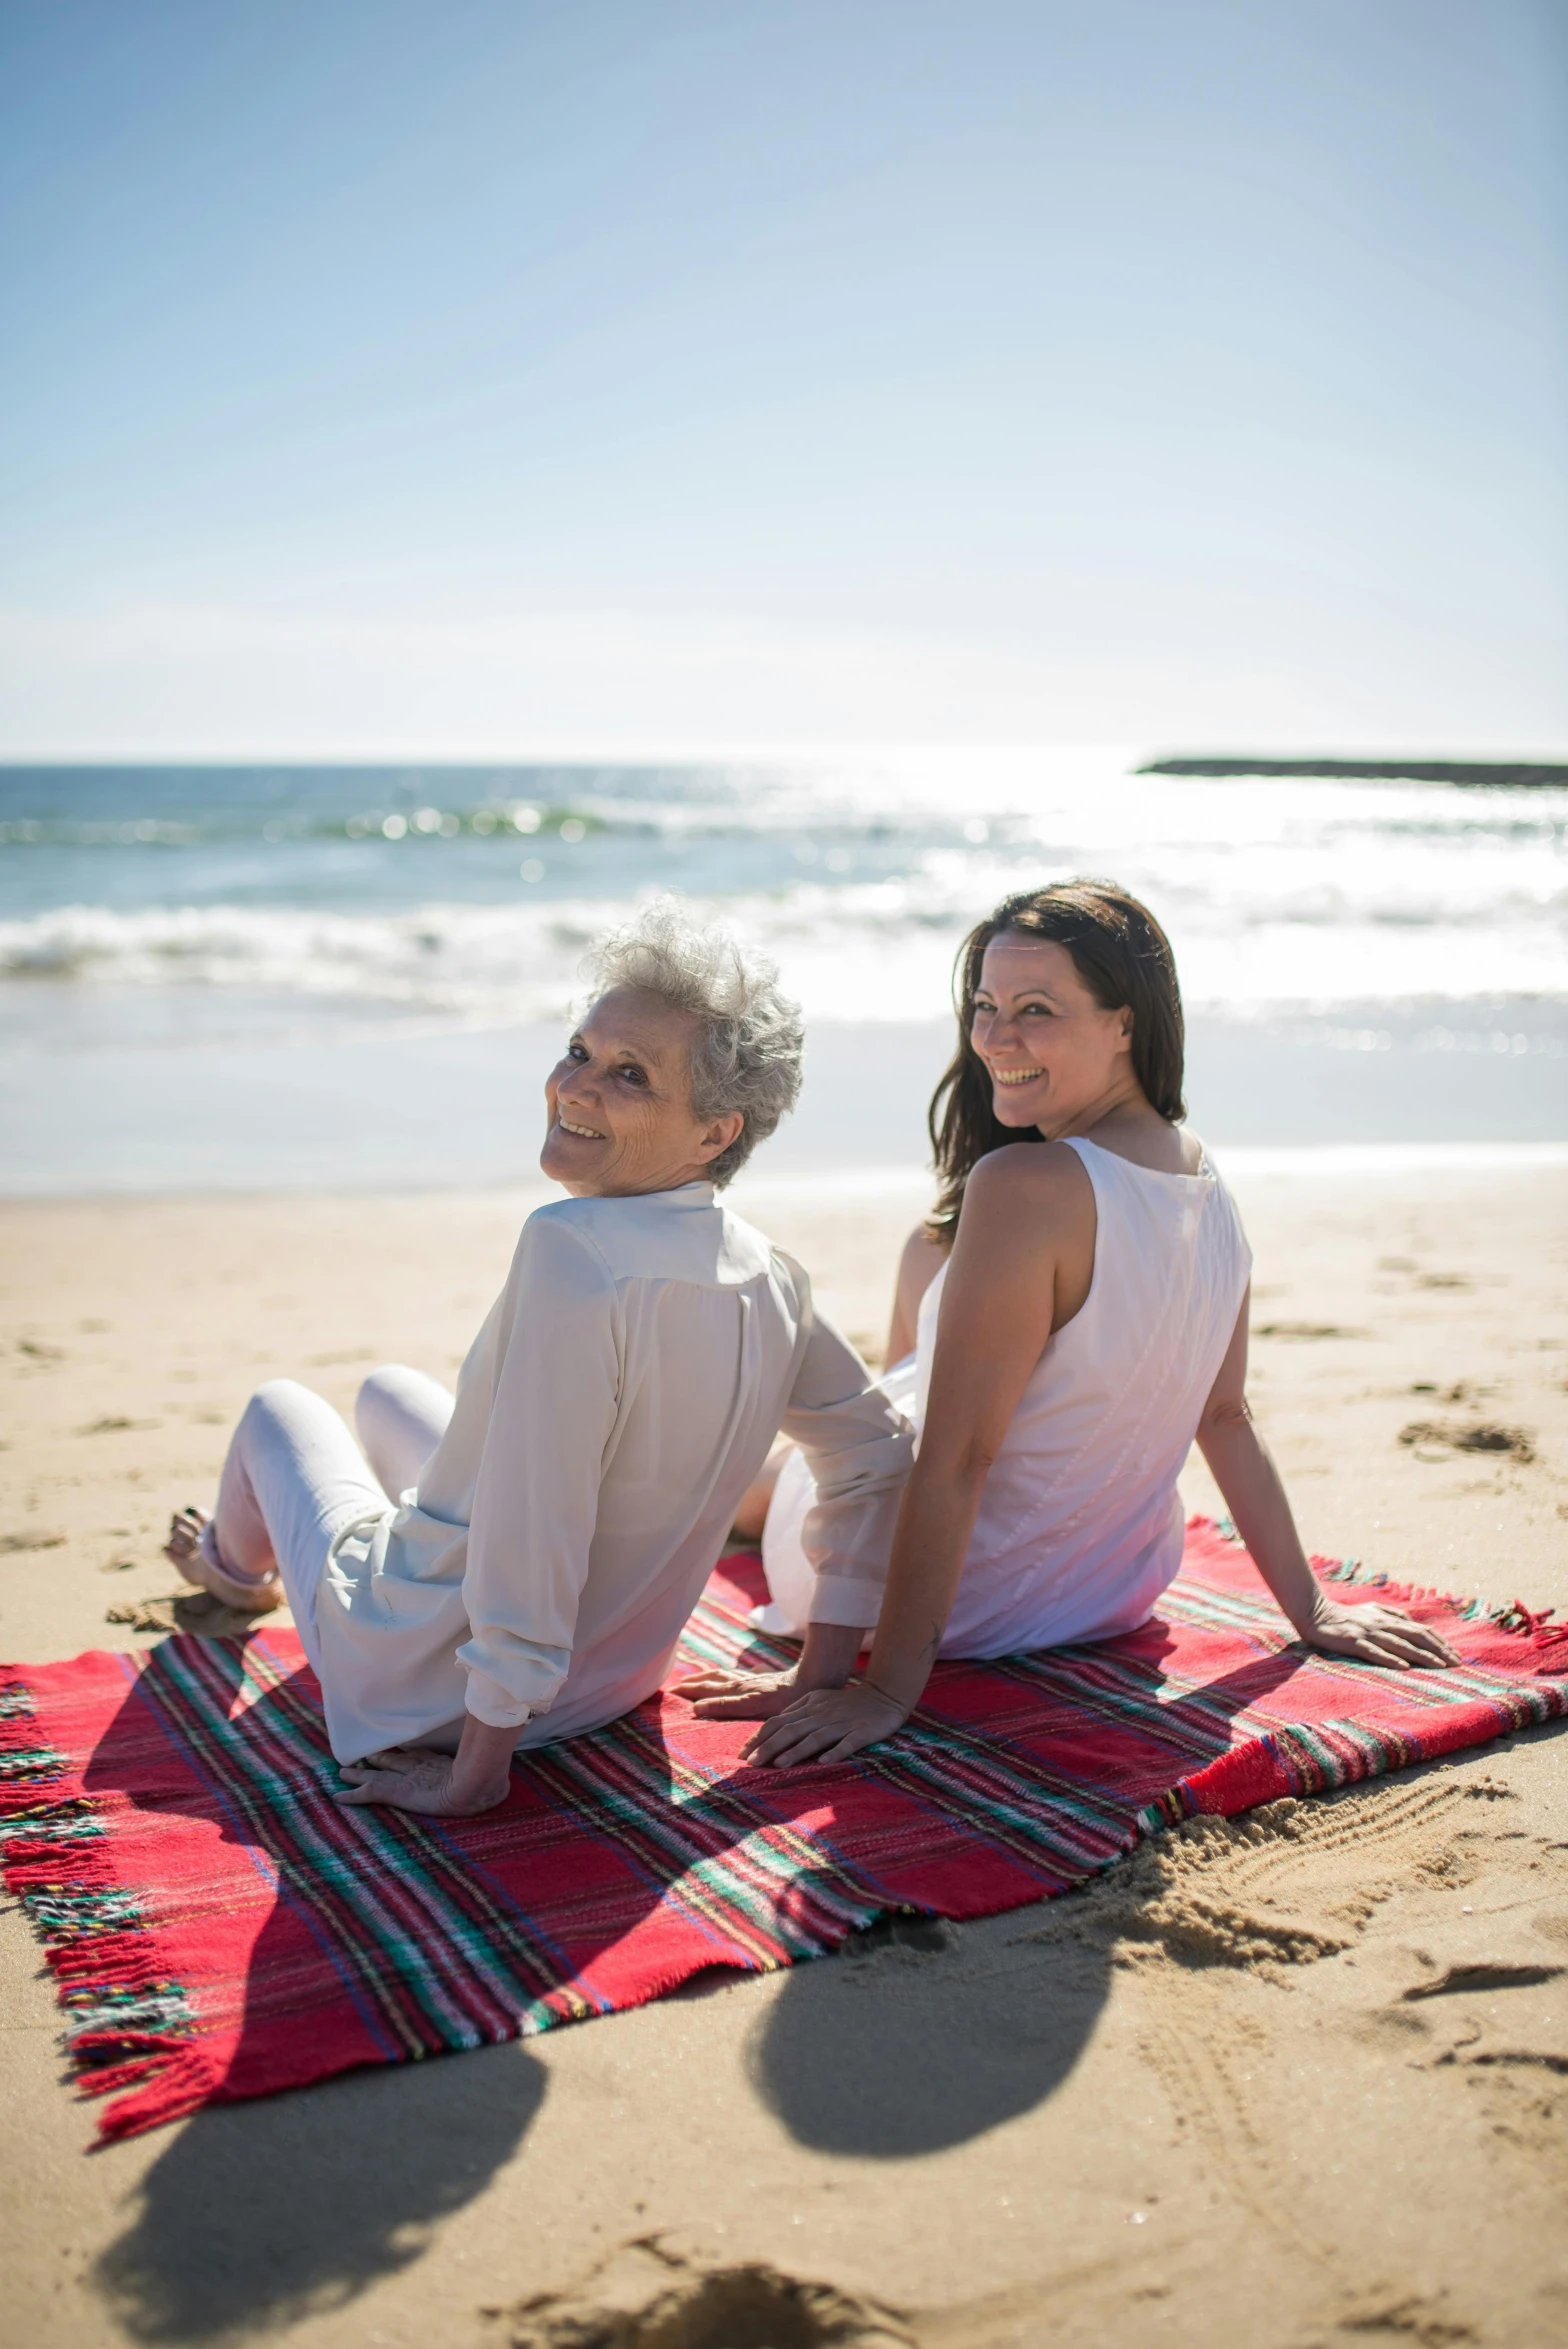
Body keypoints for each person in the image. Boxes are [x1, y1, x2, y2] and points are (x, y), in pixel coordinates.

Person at [680, 879, 1456, 1765]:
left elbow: (959, 1458)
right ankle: (813, 1470)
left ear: (1125, 1023)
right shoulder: (1207, 1182)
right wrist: (1310, 1610)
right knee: (927, 1265)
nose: (996, 1037)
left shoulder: (1018, 1186)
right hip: (1110, 1591)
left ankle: (769, 1490)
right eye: (985, 1006)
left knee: (804, 1461)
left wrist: (887, 1687)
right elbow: (1227, 1416)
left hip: (960, 1600)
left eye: (1036, 1009)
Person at [164, 904, 914, 1815]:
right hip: (613, 1682)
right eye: (580, 1050)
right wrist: (819, 1671)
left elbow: (537, 1516)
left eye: (629, 1074)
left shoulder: (572, 1247)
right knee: (387, 1390)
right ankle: (326, 1553)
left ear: (718, 1132)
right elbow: (875, 1454)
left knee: (276, 1406)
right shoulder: (772, 1273)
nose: (575, 1086)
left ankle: (232, 1574)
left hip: (428, 1686)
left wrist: (476, 1770)